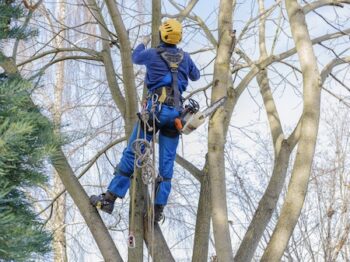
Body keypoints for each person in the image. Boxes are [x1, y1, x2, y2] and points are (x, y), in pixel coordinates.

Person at [90, 19, 200, 222]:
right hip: (176, 116)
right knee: (167, 163)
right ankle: (157, 210)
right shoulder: (186, 58)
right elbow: (196, 76)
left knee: (133, 152)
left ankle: (109, 199)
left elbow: (135, 56)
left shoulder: (152, 54)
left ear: (161, 35)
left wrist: (142, 42)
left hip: (155, 112)